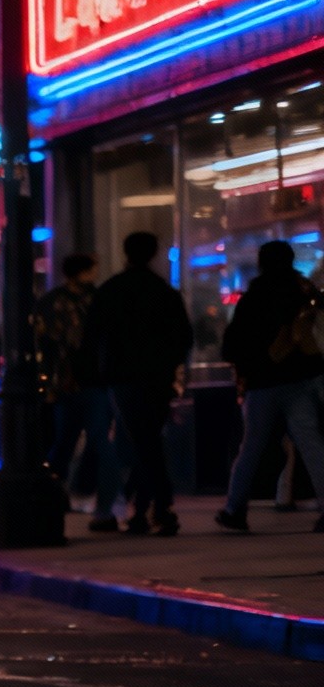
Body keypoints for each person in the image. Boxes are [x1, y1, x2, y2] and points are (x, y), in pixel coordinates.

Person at [215, 240, 324, 534]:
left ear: (262, 262)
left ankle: (234, 509)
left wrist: (245, 370)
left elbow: (233, 344)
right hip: (300, 378)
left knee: (252, 446)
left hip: (262, 383)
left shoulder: (254, 296)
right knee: (311, 443)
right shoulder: (304, 292)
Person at [89, 229, 193, 536]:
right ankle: (153, 507)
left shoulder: (111, 290)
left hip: (123, 376)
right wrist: (171, 366)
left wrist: (98, 371)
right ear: (154, 253)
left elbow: (93, 335)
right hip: (157, 376)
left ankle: (155, 507)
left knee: (141, 441)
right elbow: (183, 337)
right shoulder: (164, 292)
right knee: (149, 440)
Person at [37, 253, 120, 531]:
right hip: (96, 380)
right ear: (86, 271)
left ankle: (53, 495)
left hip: (65, 382)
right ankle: (104, 508)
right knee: (101, 442)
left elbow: (45, 343)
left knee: (63, 442)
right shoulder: (99, 299)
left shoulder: (52, 302)